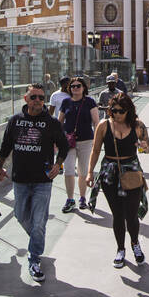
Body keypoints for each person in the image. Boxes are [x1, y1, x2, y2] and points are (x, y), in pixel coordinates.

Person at [0, 85, 69, 283]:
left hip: (43, 180)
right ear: (26, 98)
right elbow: (6, 145)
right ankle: (37, 238)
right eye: (34, 97)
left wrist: (58, 165)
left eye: (41, 97)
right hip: (20, 178)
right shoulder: (15, 120)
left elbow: (64, 145)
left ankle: (34, 258)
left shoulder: (51, 122)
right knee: (20, 215)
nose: (38, 100)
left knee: (38, 222)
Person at [87, 92, 149, 268]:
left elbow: (148, 148)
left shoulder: (138, 126)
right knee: (117, 214)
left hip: (131, 172)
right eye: (114, 110)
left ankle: (135, 243)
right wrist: (90, 172)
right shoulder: (103, 125)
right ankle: (120, 249)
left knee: (131, 214)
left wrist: (144, 147)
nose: (117, 114)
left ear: (128, 110)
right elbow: (95, 150)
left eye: (121, 111)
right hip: (109, 173)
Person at [57, 76, 100, 212]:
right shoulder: (66, 102)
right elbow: (60, 122)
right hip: (68, 142)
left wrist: (97, 140)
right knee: (68, 170)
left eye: (78, 86)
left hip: (86, 140)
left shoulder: (89, 102)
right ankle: (70, 199)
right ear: (69, 89)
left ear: (83, 88)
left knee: (82, 171)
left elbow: (96, 122)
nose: (75, 88)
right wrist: (57, 140)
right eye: (73, 86)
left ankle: (82, 198)